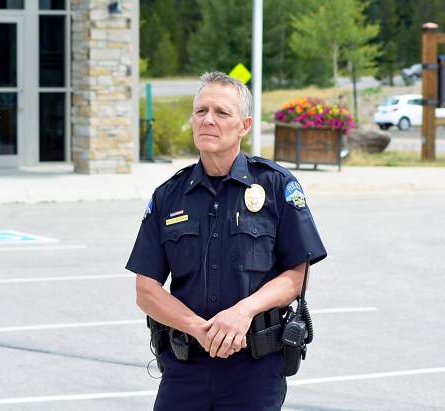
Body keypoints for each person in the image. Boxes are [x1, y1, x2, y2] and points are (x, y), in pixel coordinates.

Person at [126, 71, 327, 410]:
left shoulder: (275, 186)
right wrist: (198, 329)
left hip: (254, 371)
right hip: (185, 368)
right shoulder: (168, 196)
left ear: (244, 126)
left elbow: (298, 275)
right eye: (201, 111)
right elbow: (146, 291)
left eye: (221, 112)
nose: (208, 120)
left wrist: (242, 312)